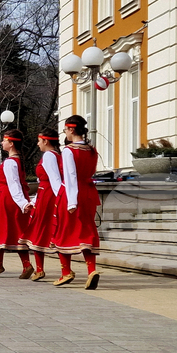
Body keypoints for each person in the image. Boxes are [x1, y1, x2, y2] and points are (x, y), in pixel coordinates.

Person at [52, 115, 101, 289]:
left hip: (72, 193)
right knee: (87, 230)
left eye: (65, 129)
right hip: (89, 192)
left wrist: (71, 202)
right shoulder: (91, 149)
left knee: (64, 230)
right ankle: (91, 270)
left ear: (71, 129)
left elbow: (71, 176)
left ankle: (66, 271)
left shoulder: (68, 150)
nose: (65, 132)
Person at [0, 129, 34, 278]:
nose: (2, 142)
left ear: (11, 143)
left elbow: (13, 184)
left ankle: (2, 265)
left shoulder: (10, 162)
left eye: (4, 140)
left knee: (2, 230)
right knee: (15, 230)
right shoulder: (15, 160)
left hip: (8, 199)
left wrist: (22, 203)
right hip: (10, 198)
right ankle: (21, 265)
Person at [23, 129, 63, 281]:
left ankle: (41, 269)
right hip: (45, 194)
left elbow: (54, 180)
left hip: (48, 196)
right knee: (50, 230)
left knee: (40, 230)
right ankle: (61, 269)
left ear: (46, 141)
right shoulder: (57, 155)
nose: (38, 144)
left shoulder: (49, 155)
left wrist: (60, 198)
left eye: (39, 141)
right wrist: (33, 201)